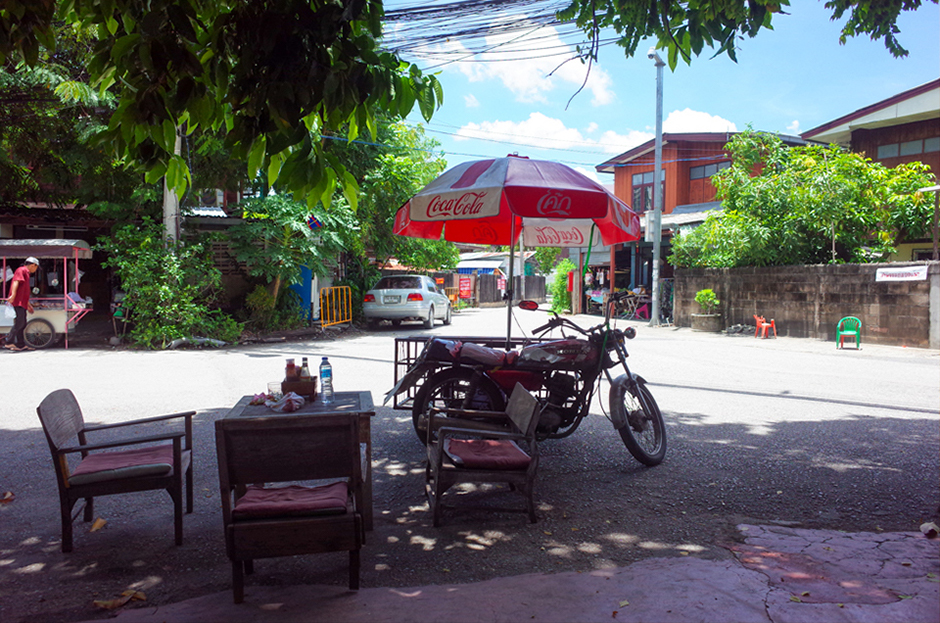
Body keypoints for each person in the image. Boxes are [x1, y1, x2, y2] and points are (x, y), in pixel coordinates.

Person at [4, 257, 39, 351]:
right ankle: (9, 342)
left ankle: (21, 344)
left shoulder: (26, 273)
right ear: (33, 265)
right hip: (18, 302)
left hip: (22, 302)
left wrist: (28, 305)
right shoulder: (21, 270)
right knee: (20, 322)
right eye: (36, 267)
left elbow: (24, 291)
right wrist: (13, 295)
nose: (35, 270)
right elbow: (16, 282)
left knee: (23, 323)